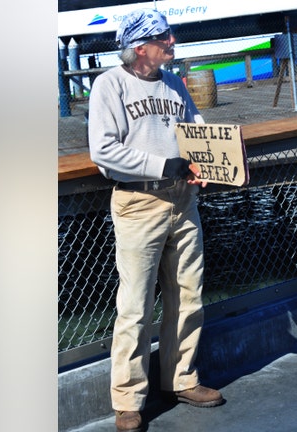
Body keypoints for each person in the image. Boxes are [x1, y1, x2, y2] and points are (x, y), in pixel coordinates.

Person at [87, 8, 224, 432]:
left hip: (183, 202)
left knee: (188, 296)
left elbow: (196, 130)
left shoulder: (174, 83)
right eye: (165, 38)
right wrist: (163, 165)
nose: (172, 43)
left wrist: (219, 162)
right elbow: (103, 152)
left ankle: (181, 379)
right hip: (138, 204)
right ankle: (128, 400)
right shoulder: (108, 85)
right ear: (141, 46)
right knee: (134, 306)